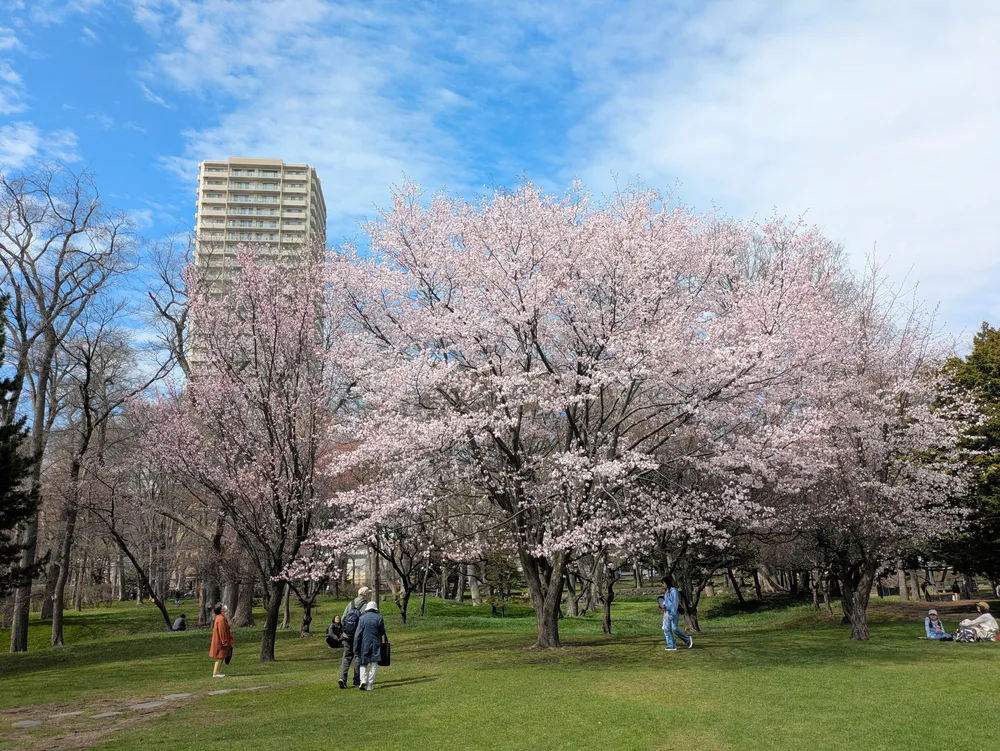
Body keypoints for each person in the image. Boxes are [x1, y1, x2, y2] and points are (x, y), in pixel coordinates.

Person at [338, 586, 371, 689]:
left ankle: (342, 678)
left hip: (347, 635)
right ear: (365, 595)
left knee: (346, 657)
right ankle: (356, 680)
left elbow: (343, 619)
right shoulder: (365, 606)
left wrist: (344, 632)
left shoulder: (350, 604)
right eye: (368, 594)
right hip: (358, 636)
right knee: (358, 657)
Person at [353, 600, 386, 691]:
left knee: (363, 663)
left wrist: (355, 647)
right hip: (375, 643)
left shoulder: (362, 618)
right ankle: (370, 684)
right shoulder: (379, 618)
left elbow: (357, 634)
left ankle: (362, 680)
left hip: (364, 643)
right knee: (374, 664)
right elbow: (382, 632)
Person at [660, 576, 693, 651]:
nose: (663, 585)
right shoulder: (666, 592)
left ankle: (687, 639)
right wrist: (662, 606)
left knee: (674, 628)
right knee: (666, 629)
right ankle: (671, 645)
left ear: (667, 583)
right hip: (667, 612)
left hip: (674, 612)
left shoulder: (674, 591)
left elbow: (675, 604)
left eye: (663, 583)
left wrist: (672, 614)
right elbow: (666, 602)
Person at [209, 602, 234, 677]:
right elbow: (222, 631)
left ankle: (218, 671)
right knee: (220, 657)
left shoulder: (220, 617)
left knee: (221, 657)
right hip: (220, 642)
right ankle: (215, 673)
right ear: (220, 609)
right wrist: (225, 642)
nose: (224, 606)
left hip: (220, 641)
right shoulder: (221, 619)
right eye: (222, 606)